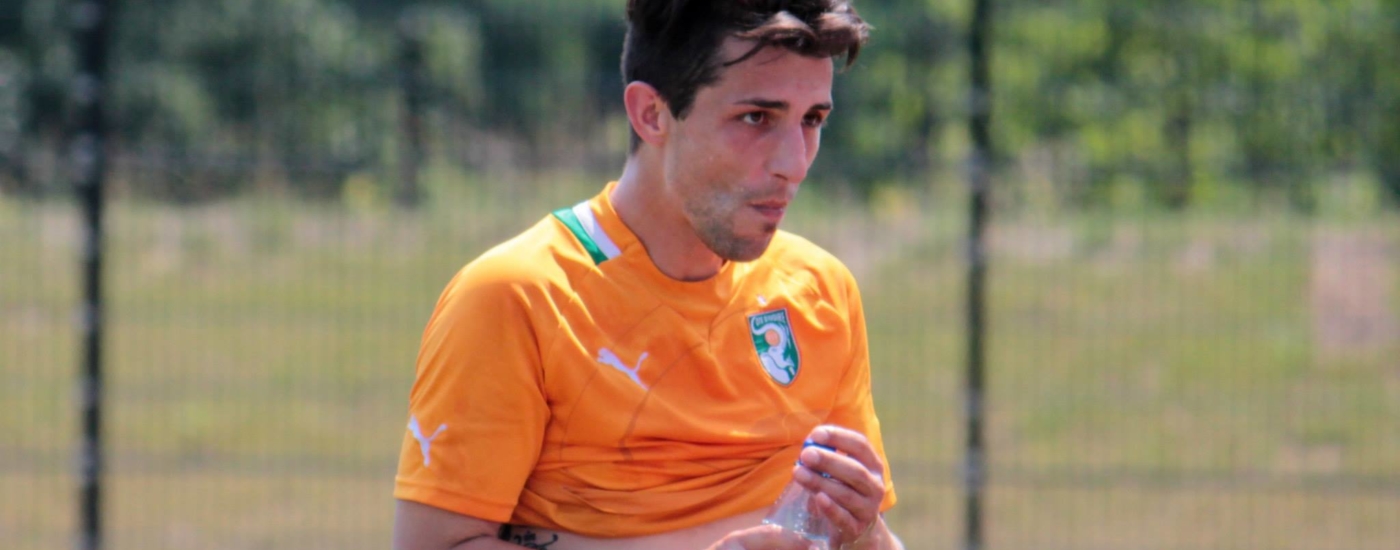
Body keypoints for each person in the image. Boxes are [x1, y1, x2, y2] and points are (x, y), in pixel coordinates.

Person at [392, 1, 902, 548]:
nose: (794, 163)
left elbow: (860, 537)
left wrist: (864, 533)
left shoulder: (821, 289)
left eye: (812, 120)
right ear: (651, 114)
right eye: (756, 118)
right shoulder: (516, 298)